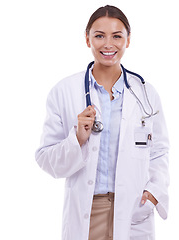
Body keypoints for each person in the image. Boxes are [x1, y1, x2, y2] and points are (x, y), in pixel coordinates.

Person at [35, 5, 169, 240]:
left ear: (128, 40)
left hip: (134, 208)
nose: (108, 44)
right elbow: (45, 158)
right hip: (89, 210)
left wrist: (154, 191)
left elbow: (159, 151)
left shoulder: (146, 94)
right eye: (99, 36)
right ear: (87, 39)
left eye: (117, 36)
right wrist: (77, 139)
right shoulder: (64, 91)